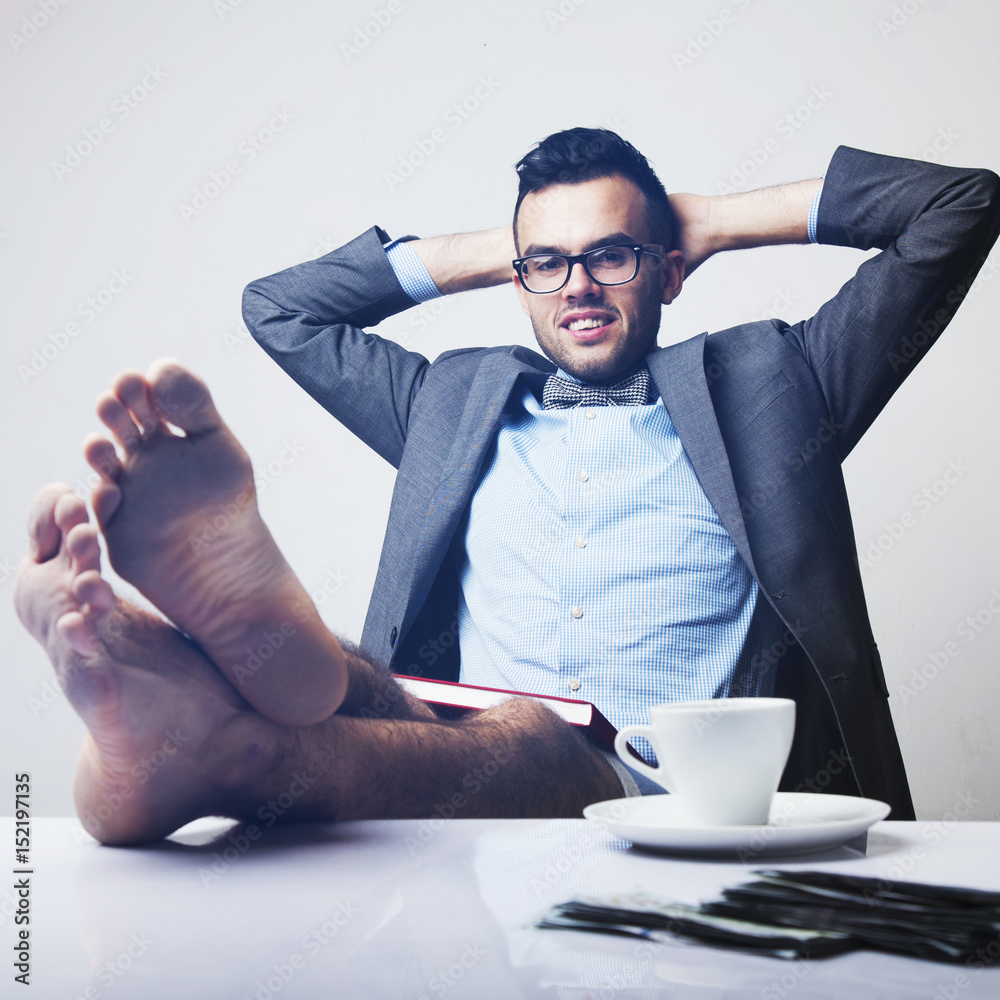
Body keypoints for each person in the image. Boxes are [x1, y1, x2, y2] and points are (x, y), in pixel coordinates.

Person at [15, 129, 999, 844]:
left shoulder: (775, 385)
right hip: (451, 741)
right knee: (354, 679)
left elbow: (959, 208)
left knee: (528, 732)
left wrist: (709, 220)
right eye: (548, 264)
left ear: (665, 271)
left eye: (610, 254)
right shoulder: (452, 403)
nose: (576, 284)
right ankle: (162, 701)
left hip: (653, 789)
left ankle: (223, 754)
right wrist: (516, 251)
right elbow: (280, 311)